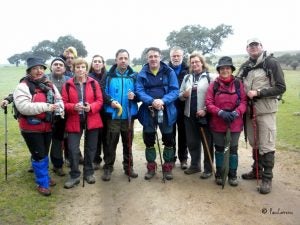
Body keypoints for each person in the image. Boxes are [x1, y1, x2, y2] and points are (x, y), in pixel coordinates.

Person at [236, 38, 286, 194]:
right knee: (254, 142)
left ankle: (267, 178)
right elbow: (236, 82)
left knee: (267, 144)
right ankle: (256, 170)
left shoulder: (271, 63)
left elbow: (280, 87)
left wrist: (259, 93)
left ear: (261, 47)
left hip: (265, 111)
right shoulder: (245, 66)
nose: (253, 48)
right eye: (250, 46)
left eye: (256, 45)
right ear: (247, 49)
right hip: (249, 112)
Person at [13, 57, 63, 196]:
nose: (39, 70)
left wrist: (60, 107)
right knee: (39, 155)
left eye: (41, 68)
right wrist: (47, 107)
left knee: (44, 153)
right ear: (29, 71)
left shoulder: (49, 84)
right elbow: (23, 107)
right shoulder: (23, 86)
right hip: (30, 128)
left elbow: (58, 98)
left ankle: (44, 177)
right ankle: (42, 183)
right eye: (35, 68)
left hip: (47, 126)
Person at [136, 47, 179, 180]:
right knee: (148, 140)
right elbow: (139, 90)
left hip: (166, 111)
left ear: (160, 57)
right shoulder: (142, 73)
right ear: (147, 58)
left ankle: (167, 167)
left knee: (168, 140)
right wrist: (151, 101)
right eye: (150, 57)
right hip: (148, 111)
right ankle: (151, 167)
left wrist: (163, 101)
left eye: (156, 56)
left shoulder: (169, 72)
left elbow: (174, 90)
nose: (153, 59)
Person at [62, 57, 103, 188]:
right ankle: (74, 175)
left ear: (86, 69)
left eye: (83, 67)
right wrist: (73, 107)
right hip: (74, 119)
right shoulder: (67, 84)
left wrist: (91, 107)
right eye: (78, 67)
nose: (80, 69)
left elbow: (100, 101)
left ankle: (88, 172)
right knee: (73, 148)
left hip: (92, 119)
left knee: (91, 148)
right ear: (73, 69)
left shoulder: (93, 83)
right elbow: (63, 103)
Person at [205, 56, 247, 186]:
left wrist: (236, 112)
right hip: (218, 122)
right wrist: (220, 112)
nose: (225, 70)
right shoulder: (214, 84)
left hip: (234, 123)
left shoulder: (238, 84)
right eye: (222, 68)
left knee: (233, 150)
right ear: (218, 70)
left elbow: (244, 102)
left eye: (227, 68)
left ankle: (232, 175)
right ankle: (220, 173)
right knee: (219, 149)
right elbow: (208, 102)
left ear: (231, 69)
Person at [100, 49, 139, 181]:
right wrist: (110, 101)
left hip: (128, 115)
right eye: (120, 58)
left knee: (128, 143)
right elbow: (102, 91)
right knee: (111, 143)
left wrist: (135, 96)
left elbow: (140, 93)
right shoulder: (109, 75)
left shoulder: (134, 76)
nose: (123, 61)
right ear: (116, 60)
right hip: (114, 116)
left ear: (128, 60)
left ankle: (128, 167)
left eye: (125, 58)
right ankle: (108, 167)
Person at [179, 52, 217, 179]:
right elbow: (179, 95)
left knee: (207, 142)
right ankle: (195, 165)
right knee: (192, 142)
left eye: (197, 61)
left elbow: (215, 97)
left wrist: (206, 110)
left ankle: (208, 168)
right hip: (189, 115)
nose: (194, 64)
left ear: (202, 62)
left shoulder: (210, 77)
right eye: (192, 62)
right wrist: (184, 95)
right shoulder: (187, 78)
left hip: (205, 115)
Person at [47, 57, 70, 176]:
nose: (58, 66)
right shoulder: (44, 78)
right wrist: (8, 99)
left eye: (61, 65)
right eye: (55, 64)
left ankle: (57, 165)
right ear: (51, 67)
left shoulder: (69, 80)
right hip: (45, 115)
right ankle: (37, 161)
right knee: (42, 141)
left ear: (65, 68)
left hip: (61, 116)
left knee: (57, 141)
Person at [168, 46, 189, 170]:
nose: (176, 58)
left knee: (183, 134)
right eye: (173, 56)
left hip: (183, 106)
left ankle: (183, 159)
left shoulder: (188, 69)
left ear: (182, 56)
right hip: (169, 106)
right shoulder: (165, 69)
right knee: (169, 134)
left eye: (178, 56)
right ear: (170, 57)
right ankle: (170, 159)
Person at [88, 55, 107, 170]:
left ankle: (107, 160)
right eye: (95, 61)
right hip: (94, 111)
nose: (97, 63)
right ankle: (96, 159)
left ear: (103, 64)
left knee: (106, 137)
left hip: (106, 111)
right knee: (96, 137)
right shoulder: (88, 77)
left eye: (99, 61)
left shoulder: (108, 76)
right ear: (92, 63)